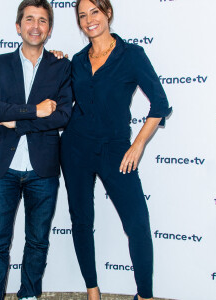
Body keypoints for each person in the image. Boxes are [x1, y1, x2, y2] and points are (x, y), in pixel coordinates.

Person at [60, 1, 172, 300]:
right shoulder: (78, 61)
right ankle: (93, 291)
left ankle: (145, 295)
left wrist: (138, 145)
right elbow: (62, 97)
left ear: (107, 13)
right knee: (81, 219)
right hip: (75, 149)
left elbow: (160, 104)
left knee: (137, 223)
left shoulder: (131, 55)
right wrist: (55, 61)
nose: (89, 20)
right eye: (82, 16)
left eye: (94, 12)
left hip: (117, 150)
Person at [0, 0, 72, 299]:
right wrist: (34, 110)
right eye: (29, 19)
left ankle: (29, 294)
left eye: (42, 20)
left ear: (49, 29)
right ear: (18, 27)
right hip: (1, 169)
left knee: (38, 241)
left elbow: (62, 115)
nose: (35, 26)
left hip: (42, 169)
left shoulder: (62, 66)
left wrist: (14, 122)